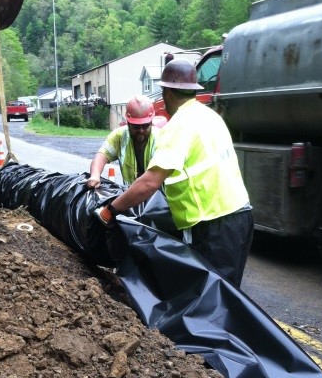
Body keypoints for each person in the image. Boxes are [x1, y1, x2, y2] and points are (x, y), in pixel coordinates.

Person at [95, 59, 254, 288]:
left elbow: (150, 182)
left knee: (213, 298)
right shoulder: (209, 116)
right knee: (228, 295)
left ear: (167, 91)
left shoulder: (178, 126)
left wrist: (110, 210)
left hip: (214, 224)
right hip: (240, 217)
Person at [86, 96, 164, 189]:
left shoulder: (162, 139)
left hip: (159, 198)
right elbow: (102, 155)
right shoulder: (119, 136)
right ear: (128, 122)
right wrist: (95, 175)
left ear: (151, 122)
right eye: (136, 127)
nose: (141, 130)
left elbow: (149, 183)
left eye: (145, 126)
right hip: (132, 196)